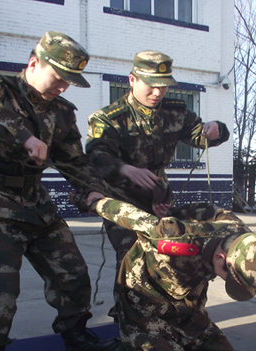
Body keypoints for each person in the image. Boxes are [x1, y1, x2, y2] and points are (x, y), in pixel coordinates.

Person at [0, 31, 119, 351]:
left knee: (73, 274)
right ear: (33, 64)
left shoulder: (61, 112)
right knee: (1, 289)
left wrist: (95, 192)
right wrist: (24, 137)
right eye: (58, 78)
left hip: (36, 204)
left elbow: (74, 160)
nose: (63, 87)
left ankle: (77, 342)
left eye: (69, 82)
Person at [78, 192, 256, 351]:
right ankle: (135, 346)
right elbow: (132, 216)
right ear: (222, 258)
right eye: (231, 279)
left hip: (186, 307)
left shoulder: (242, 236)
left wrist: (175, 210)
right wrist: (93, 201)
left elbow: (207, 210)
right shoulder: (175, 236)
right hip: (145, 305)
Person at [85, 50, 230, 268]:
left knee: (165, 259)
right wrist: (124, 168)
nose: (157, 92)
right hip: (122, 201)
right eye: (151, 85)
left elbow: (200, 136)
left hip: (158, 199)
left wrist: (217, 129)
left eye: (163, 86)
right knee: (132, 261)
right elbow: (96, 154)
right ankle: (126, 302)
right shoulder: (109, 118)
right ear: (132, 80)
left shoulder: (175, 113)